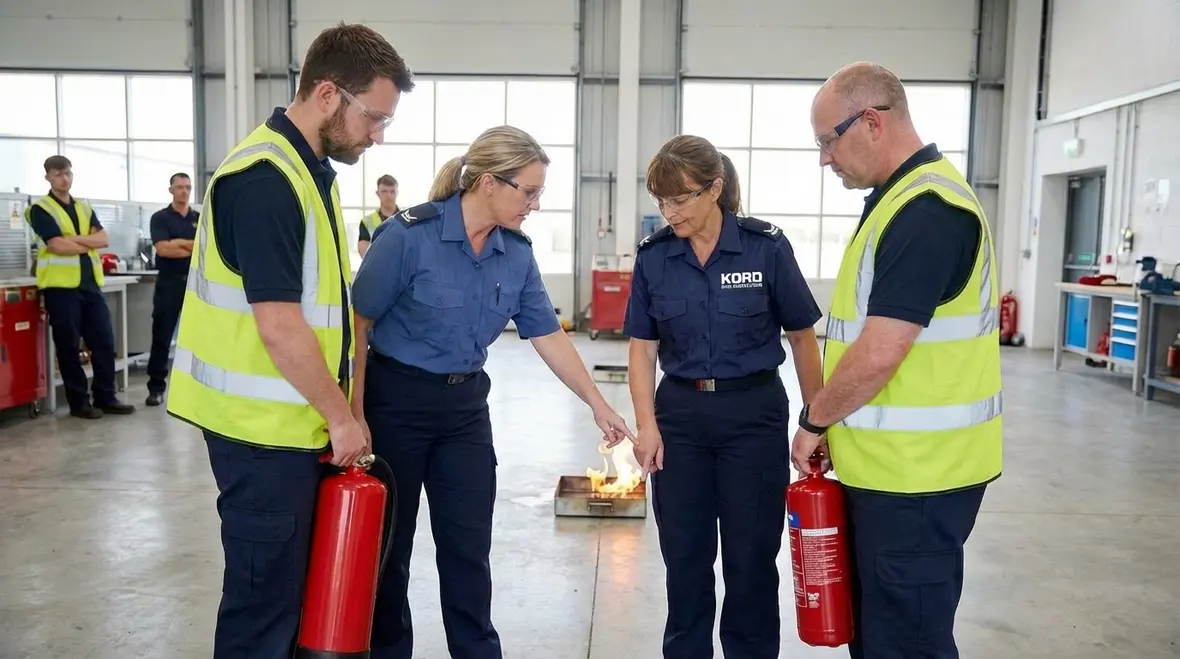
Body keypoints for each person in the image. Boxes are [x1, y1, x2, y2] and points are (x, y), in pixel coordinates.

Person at [164, 23, 414, 659]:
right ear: (328, 94)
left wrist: (346, 411)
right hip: (258, 436)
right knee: (262, 612)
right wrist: (342, 417)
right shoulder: (265, 179)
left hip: (293, 427)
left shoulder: (310, 172)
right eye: (374, 118)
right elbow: (279, 325)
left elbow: (327, 316)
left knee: (296, 604)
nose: (378, 135)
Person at [350, 125, 636, 659]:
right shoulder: (410, 237)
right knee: (389, 552)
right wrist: (354, 413)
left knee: (468, 547)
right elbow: (358, 325)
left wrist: (599, 404)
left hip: (463, 412)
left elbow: (547, 334)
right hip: (396, 405)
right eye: (528, 191)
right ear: (487, 183)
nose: (535, 204)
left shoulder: (516, 254)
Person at [792, 61, 1002, 659]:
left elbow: (881, 351)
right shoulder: (897, 201)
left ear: (873, 122)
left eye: (828, 141)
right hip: (892, 473)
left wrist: (814, 421)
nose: (825, 159)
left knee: (905, 644)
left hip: (918, 481)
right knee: (881, 636)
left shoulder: (927, 212)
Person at [624, 134, 825, 658]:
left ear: (715, 189)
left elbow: (802, 338)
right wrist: (646, 425)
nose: (670, 213)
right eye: (661, 201)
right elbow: (642, 350)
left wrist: (817, 420)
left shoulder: (766, 247)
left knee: (751, 559)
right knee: (685, 559)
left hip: (752, 414)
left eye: (680, 198)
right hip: (680, 418)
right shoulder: (655, 258)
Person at [24, 155, 135, 419]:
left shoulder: (84, 207)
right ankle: (79, 402)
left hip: (90, 285)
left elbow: (104, 238)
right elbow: (55, 245)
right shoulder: (40, 209)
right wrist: (87, 243)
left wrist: (74, 241)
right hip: (61, 288)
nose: (65, 178)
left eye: (68, 173)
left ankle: (106, 397)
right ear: (48, 177)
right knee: (69, 346)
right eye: (59, 174)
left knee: (104, 342)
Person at [144, 172, 198, 406]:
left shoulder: (199, 217)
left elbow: (205, 249)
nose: (184, 191)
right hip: (169, 283)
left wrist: (179, 243)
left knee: (198, 338)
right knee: (162, 337)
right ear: (171, 190)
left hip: (195, 285)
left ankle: (196, 389)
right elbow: (163, 250)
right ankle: (156, 388)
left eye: (187, 187)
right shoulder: (160, 218)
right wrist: (191, 246)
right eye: (179, 187)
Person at [358, 173, 400, 256]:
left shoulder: (406, 220)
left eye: (392, 191)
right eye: (384, 191)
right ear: (377, 193)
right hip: (376, 268)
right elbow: (364, 253)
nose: (389, 195)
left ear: (397, 193)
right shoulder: (367, 222)